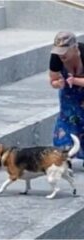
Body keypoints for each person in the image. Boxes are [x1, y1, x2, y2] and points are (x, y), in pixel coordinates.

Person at [49, 31, 84, 163]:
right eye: (58, 50)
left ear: (74, 48)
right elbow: (52, 79)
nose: (61, 54)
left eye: (64, 51)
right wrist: (58, 83)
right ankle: (65, 156)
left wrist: (75, 81)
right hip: (69, 94)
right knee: (66, 121)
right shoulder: (56, 57)